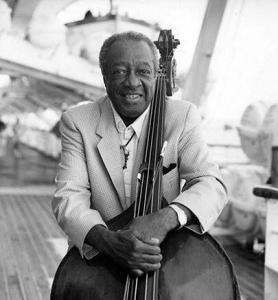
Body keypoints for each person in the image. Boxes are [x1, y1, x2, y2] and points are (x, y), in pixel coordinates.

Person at [52, 31, 228, 277]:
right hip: (98, 260)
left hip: (165, 258)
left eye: (143, 71)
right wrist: (109, 242)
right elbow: (69, 197)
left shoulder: (182, 116)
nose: (132, 82)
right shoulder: (78, 121)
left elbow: (211, 183)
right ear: (104, 78)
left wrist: (166, 218)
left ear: (157, 74)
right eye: (120, 71)